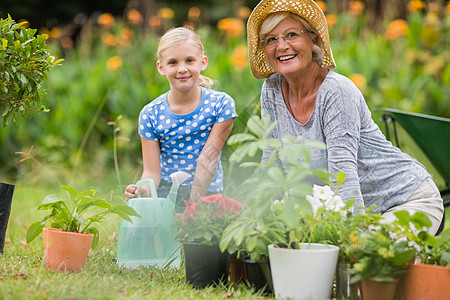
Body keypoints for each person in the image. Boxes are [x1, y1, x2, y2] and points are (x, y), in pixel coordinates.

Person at [247, 0, 444, 234]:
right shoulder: (271, 89)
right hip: (355, 210)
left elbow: (343, 178)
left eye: (291, 35)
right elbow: (271, 162)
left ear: (314, 41)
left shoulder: (336, 91)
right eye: (271, 39)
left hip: (406, 200)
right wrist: (253, 219)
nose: (281, 46)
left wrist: (353, 246)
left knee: (368, 263)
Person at [124, 27, 237, 211]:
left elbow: (207, 161)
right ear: (161, 68)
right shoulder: (151, 114)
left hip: (207, 193)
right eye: (173, 62)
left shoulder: (221, 106)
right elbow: (151, 172)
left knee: (199, 238)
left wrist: (192, 209)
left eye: (190, 60)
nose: (182, 69)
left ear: (203, 62)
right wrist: (141, 192)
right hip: (165, 195)